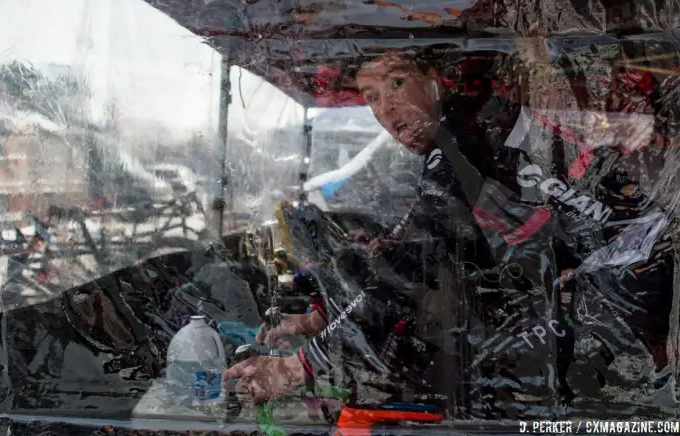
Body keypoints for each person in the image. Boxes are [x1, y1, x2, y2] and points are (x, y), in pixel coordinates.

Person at [224, 44, 680, 418]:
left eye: (398, 84)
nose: (388, 111)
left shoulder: (473, 132)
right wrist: (320, 317)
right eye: (371, 97)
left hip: (651, 280)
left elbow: (413, 264)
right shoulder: (461, 141)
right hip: (626, 284)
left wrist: (296, 367)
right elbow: (416, 245)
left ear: (435, 78)